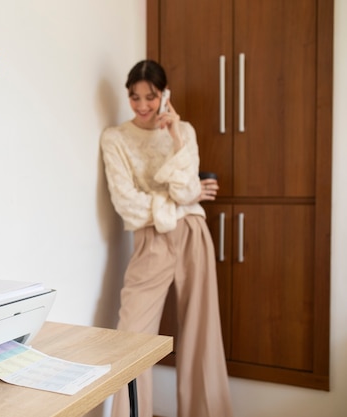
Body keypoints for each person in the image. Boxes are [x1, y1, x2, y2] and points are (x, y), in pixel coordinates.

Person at [100, 59, 233, 417]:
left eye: (151, 96)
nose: (143, 105)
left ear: (164, 95)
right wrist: (179, 202)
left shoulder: (184, 132)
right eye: (134, 97)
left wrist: (174, 137)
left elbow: (189, 187)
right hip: (151, 240)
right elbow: (127, 204)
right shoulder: (115, 138)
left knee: (201, 335)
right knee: (132, 337)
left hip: (192, 234)